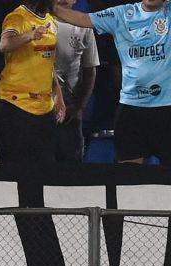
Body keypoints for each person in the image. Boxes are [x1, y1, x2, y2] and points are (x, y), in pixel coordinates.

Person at [54, 0, 171, 165]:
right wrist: (46, 6)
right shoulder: (121, 14)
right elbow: (83, 19)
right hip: (132, 109)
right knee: (128, 178)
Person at [0, 0, 66, 162]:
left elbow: (48, 64)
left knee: (45, 168)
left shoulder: (51, 22)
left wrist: (58, 95)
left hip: (44, 108)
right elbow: (5, 44)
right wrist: (30, 35)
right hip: (17, 105)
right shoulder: (17, 17)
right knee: (16, 169)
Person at [52, 0, 98, 163]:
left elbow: (90, 71)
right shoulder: (36, 22)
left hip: (70, 111)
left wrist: (80, 107)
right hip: (38, 107)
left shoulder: (84, 26)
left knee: (71, 171)